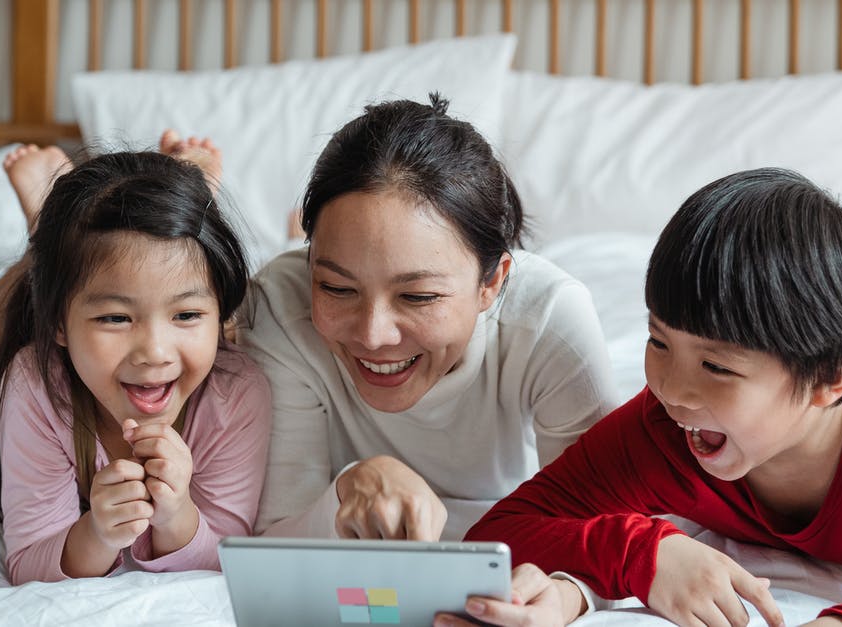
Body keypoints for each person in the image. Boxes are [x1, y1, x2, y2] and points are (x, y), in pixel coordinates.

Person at [457, 55, 842, 626]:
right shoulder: (668, 425)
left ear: (831, 382)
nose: (670, 388)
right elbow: (503, 530)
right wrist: (642, 554)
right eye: (659, 341)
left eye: (717, 368)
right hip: (840, 331)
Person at [239, 94, 620, 542]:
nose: (374, 335)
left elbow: (605, 532)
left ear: (491, 283)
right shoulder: (281, 307)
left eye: (418, 296)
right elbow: (271, 543)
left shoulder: (549, 320)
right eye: (338, 288)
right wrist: (346, 489)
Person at [0, 140, 271, 585]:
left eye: (186, 314)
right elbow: (29, 561)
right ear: (56, 323)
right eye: (115, 317)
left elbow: (228, 558)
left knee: (206, 327)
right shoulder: (36, 382)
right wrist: (95, 534)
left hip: (209, 345)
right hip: (56, 346)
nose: (153, 351)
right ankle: (43, 248)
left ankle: (169, 213)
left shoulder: (238, 393)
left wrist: (177, 516)